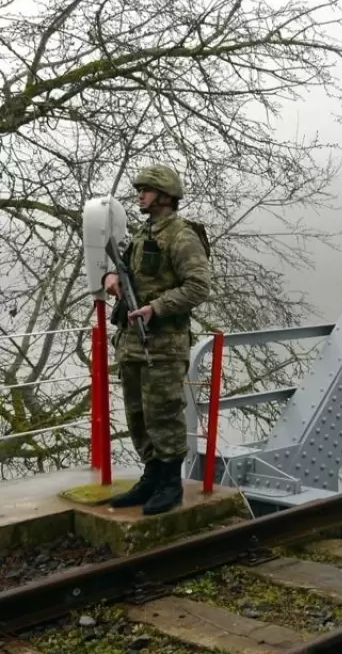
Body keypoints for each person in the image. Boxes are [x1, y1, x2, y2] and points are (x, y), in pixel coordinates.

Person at [102, 164, 212, 516]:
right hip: (133, 344)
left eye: (146, 190)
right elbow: (130, 275)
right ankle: (151, 477)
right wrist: (111, 278)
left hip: (164, 346)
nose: (140, 195)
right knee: (137, 415)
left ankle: (170, 484)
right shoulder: (141, 236)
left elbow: (198, 286)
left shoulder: (182, 236)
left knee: (163, 415)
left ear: (165, 196)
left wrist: (156, 307)